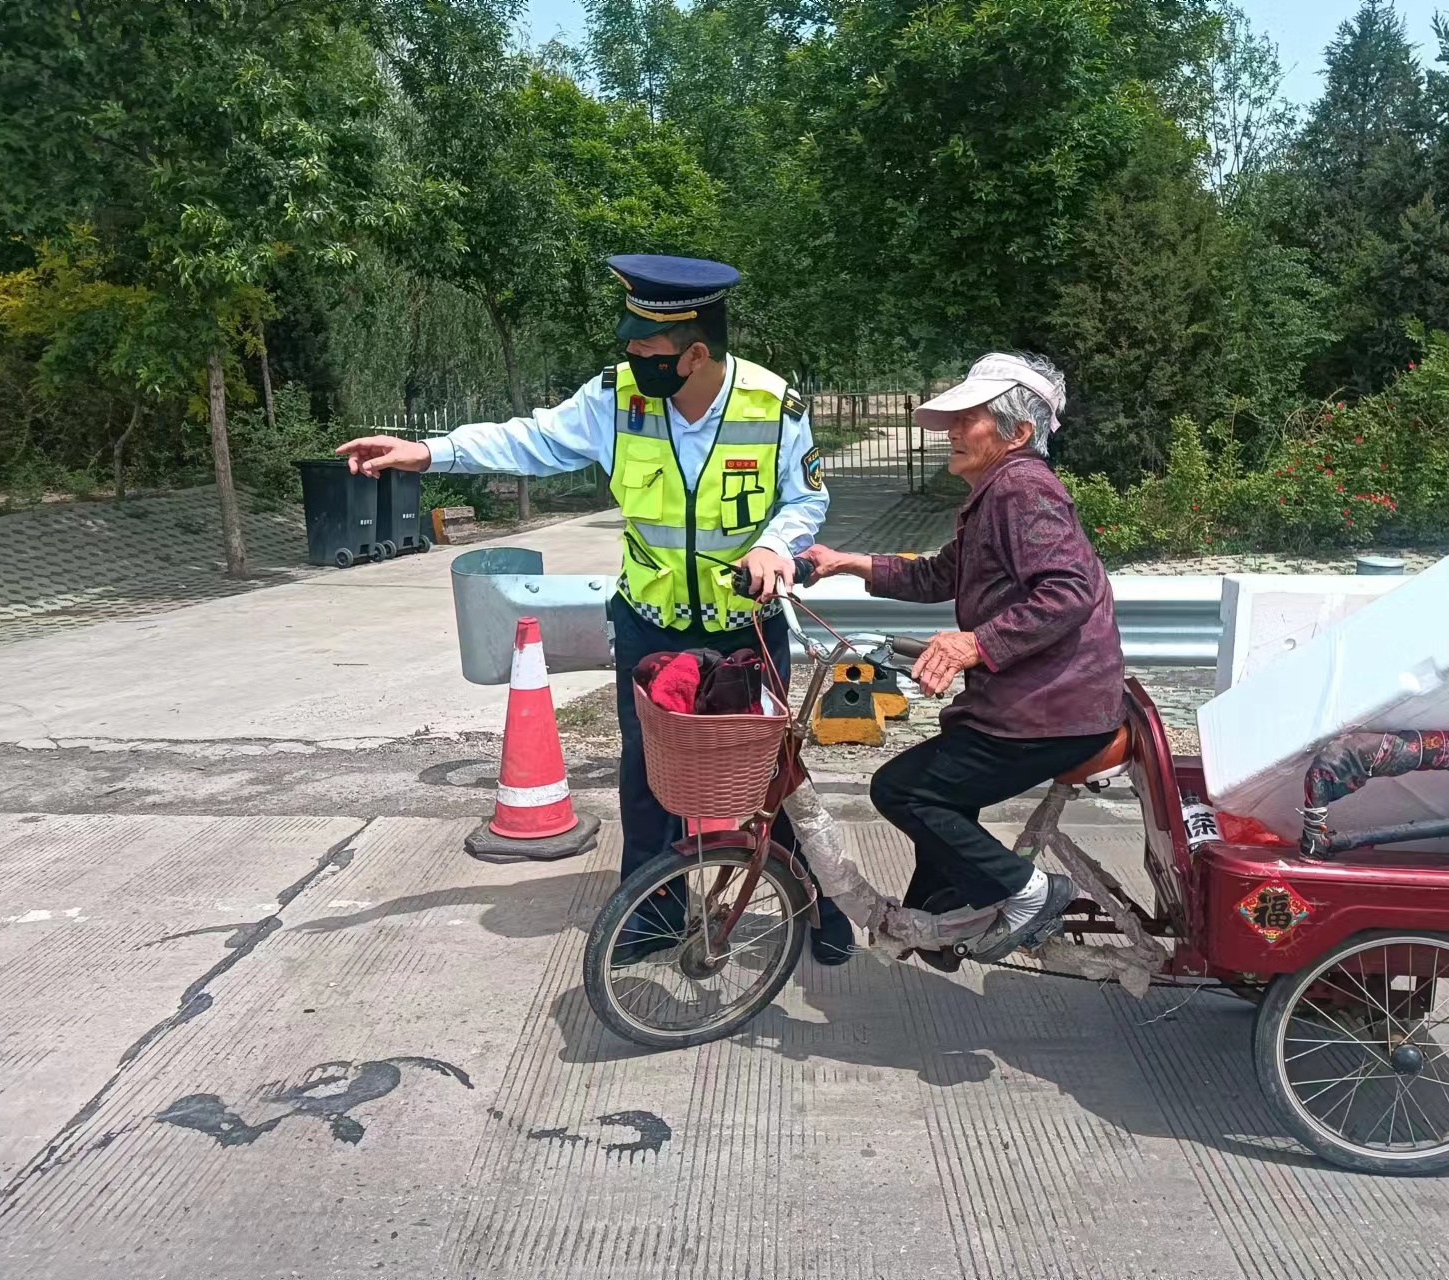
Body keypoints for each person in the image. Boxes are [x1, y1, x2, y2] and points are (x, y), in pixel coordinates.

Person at [336, 254, 856, 967]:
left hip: (746, 624)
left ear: (694, 354)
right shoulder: (615, 399)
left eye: (647, 346)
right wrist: (428, 452)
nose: (632, 354)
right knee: (647, 774)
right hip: (648, 621)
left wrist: (774, 545)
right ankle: (653, 915)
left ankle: (816, 902)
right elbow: (532, 439)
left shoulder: (772, 406)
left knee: (771, 773)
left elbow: (806, 500)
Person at [800, 352, 1126, 964]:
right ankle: (947, 921)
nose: (951, 430)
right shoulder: (996, 492)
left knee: (902, 789)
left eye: (966, 418)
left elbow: (1069, 590)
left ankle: (1028, 892)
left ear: (1017, 432)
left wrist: (973, 644)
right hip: (1033, 703)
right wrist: (849, 562)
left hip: (1052, 711)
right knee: (938, 805)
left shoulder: (1023, 489)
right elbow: (941, 575)